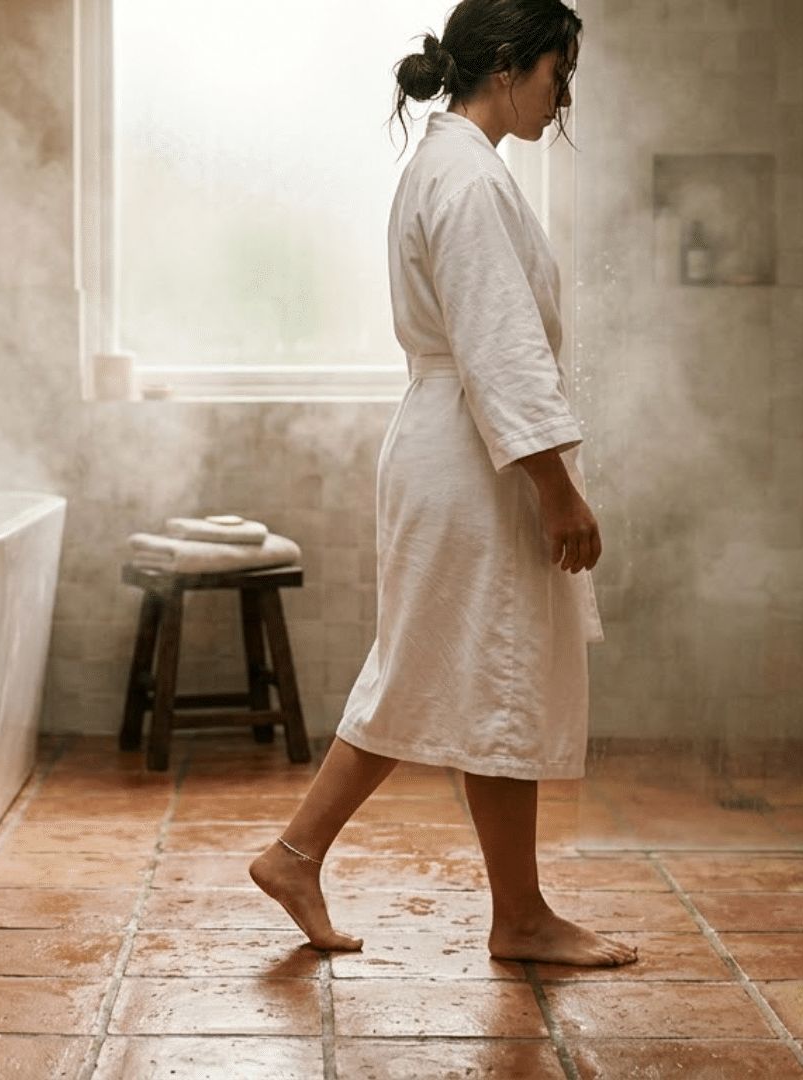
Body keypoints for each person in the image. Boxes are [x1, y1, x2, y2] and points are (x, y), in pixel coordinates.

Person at [249, 0, 637, 968]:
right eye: (557, 73)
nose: (562, 95)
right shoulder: (465, 178)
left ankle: (499, 906)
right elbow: (499, 346)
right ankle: (322, 858)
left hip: (458, 446)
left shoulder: (454, 167)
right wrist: (557, 486)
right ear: (507, 67)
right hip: (475, 456)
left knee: (460, 670)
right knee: (467, 668)